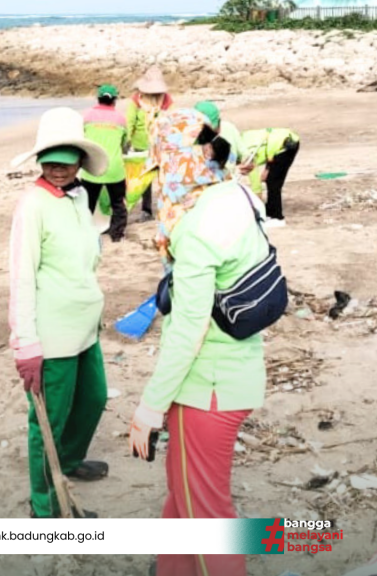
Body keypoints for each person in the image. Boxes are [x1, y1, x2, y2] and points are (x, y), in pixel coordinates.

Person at [128, 109, 268, 576]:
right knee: (183, 499)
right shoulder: (234, 195)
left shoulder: (196, 227)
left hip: (206, 387)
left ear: (179, 160)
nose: (160, 173)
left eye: (163, 159)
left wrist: (149, 409)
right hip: (235, 374)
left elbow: (189, 329)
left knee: (207, 516)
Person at [8, 108, 113, 518]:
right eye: (49, 161)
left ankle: (68, 461)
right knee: (48, 421)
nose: (56, 170)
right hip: (51, 335)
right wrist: (26, 344)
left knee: (92, 399)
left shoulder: (82, 195)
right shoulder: (31, 205)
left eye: (65, 163)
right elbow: (21, 277)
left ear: (80, 163)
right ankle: (45, 504)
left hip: (85, 326)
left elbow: (85, 252)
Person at [82, 83, 130, 241]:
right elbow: (125, 144)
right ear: (114, 100)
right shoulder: (121, 119)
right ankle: (117, 234)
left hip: (92, 168)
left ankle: (85, 234)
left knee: (87, 204)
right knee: (118, 203)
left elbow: (81, 139)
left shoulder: (87, 116)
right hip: (114, 169)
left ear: (98, 99)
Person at [127, 66, 173, 221]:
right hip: (149, 145)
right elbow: (130, 122)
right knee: (151, 179)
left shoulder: (163, 99)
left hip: (157, 144)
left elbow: (172, 120)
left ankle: (156, 208)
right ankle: (153, 209)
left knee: (157, 178)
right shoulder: (138, 100)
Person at [242, 127, 300, 228]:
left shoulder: (246, 155)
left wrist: (257, 210)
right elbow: (267, 148)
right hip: (277, 144)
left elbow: (256, 186)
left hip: (287, 145)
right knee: (270, 179)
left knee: (274, 182)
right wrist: (267, 169)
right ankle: (269, 211)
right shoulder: (241, 141)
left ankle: (277, 218)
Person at [194, 101, 254, 178]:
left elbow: (244, 153)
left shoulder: (229, 129)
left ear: (219, 122)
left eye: (212, 131)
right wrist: (233, 172)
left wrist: (248, 162)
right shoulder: (191, 142)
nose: (209, 135)